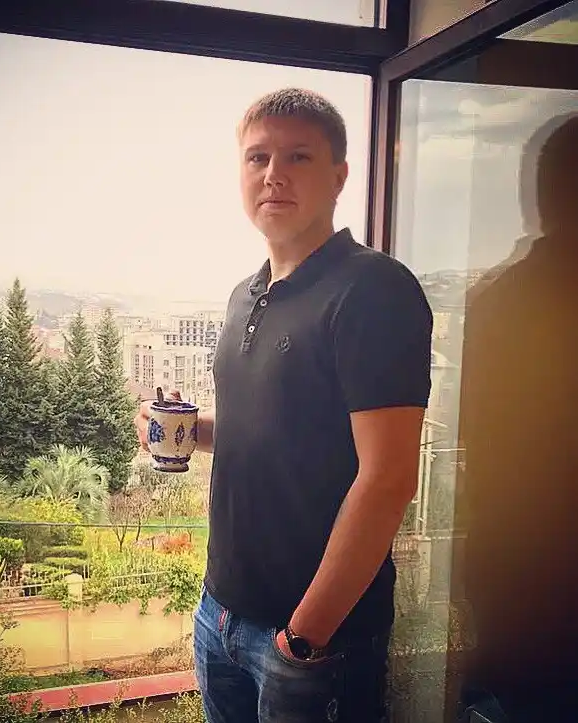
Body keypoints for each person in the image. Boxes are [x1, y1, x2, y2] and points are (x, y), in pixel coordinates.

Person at [134, 87, 432, 723]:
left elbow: (388, 479)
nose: (274, 174)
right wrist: (184, 431)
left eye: (298, 156)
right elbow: (274, 431)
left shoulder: (372, 290)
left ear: (339, 177)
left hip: (314, 640)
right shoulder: (246, 293)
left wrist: (305, 636)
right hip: (220, 614)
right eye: (258, 157)